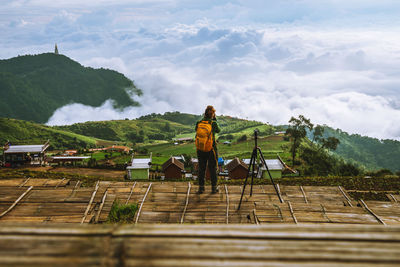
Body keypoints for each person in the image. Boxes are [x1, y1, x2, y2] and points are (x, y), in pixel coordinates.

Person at [195, 105, 221, 194]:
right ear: (213, 114)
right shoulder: (213, 123)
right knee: (213, 168)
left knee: (202, 168)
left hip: (200, 148)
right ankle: (214, 188)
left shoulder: (199, 122)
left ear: (205, 113)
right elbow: (218, 130)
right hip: (211, 148)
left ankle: (201, 188)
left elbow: (196, 131)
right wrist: (215, 120)